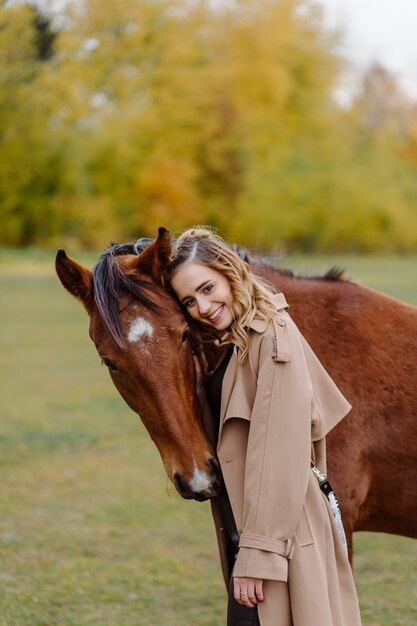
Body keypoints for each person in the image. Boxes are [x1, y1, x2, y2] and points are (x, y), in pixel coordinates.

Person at [166, 227, 362, 626]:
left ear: (230, 272)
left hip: (282, 539)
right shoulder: (237, 341)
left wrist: (259, 555)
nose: (202, 306)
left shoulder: (271, 337)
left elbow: (279, 452)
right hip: (261, 534)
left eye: (207, 288)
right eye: (189, 300)